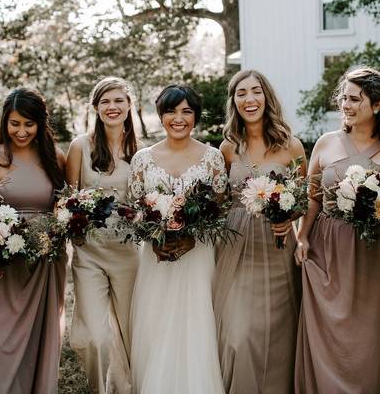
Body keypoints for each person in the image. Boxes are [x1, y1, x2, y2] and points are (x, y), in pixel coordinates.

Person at [293, 67, 380, 394]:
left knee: (369, 335)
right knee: (328, 333)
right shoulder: (326, 144)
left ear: (379, 105)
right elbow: (312, 197)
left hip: (375, 254)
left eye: (355, 98)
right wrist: (302, 236)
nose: (346, 104)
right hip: (326, 248)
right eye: (344, 97)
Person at [127, 84, 228, 394]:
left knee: (195, 325)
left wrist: (191, 238)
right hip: (157, 258)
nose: (179, 118)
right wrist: (155, 236)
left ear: (195, 116)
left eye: (186, 111)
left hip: (197, 256)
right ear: (161, 115)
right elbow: (134, 210)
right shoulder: (143, 158)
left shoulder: (212, 157)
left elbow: (219, 208)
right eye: (171, 111)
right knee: (155, 325)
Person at [213, 70, 305, 394]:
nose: (249, 99)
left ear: (266, 97)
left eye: (255, 92)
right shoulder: (227, 148)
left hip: (276, 247)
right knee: (237, 335)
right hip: (236, 246)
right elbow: (220, 200)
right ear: (234, 101)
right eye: (241, 93)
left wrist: (289, 216)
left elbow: (302, 199)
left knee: (279, 332)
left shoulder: (291, 146)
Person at [0, 88, 68, 394]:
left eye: (29, 124)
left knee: (39, 340)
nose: (22, 131)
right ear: (5, 122)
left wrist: (51, 235)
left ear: (40, 123)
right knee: (0, 340)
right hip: (3, 265)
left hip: (44, 263)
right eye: (15, 123)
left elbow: (61, 206)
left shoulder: (56, 159)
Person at [66, 77, 141, 394]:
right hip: (89, 253)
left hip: (128, 255)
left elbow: (143, 203)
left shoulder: (139, 151)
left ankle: (127, 388)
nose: (112, 107)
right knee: (94, 337)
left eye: (118, 101)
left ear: (129, 106)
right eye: (105, 101)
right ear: (96, 108)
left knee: (130, 333)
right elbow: (66, 199)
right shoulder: (80, 146)